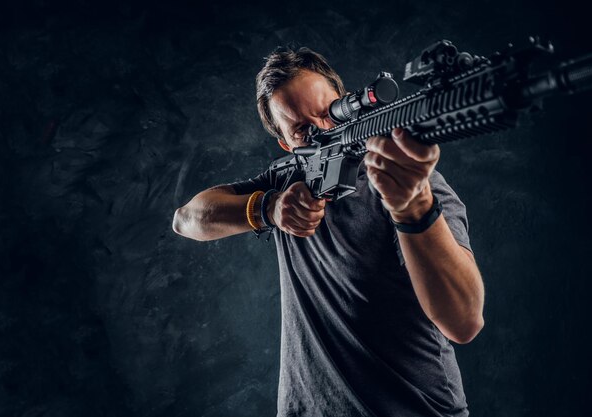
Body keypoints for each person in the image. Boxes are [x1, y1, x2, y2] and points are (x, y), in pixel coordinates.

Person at [173, 45, 485, 417]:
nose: (323, 130)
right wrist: (267, 208)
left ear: (349, 102)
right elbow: (186, 219)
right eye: (302, 130)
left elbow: (464, 322)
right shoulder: (284, 179)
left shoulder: (411, 181)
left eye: (330, 112)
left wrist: (413, 205)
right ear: (286, 145)